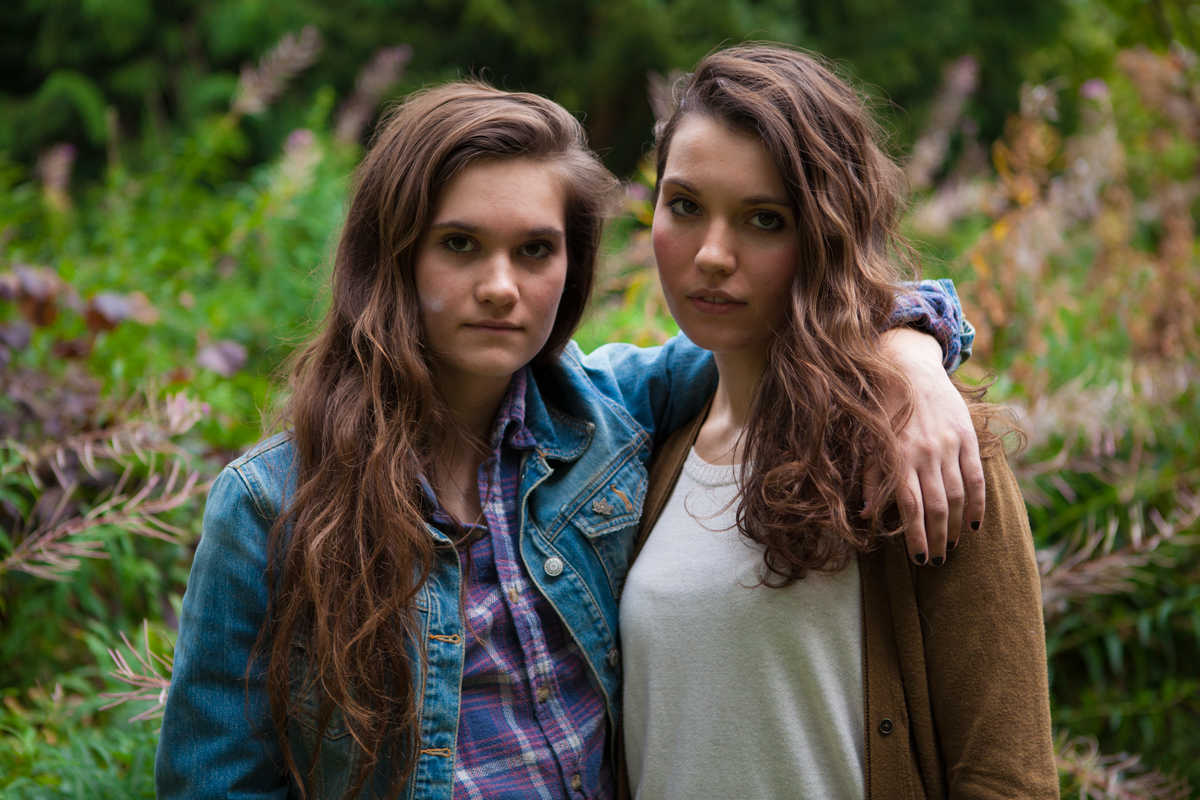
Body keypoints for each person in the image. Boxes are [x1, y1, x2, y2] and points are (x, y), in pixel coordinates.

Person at [156, 80, 976, 800]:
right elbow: (218, 781)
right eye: (459, 245)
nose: (501, 287)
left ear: (574, 267)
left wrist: (912, 360)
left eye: (535, 250)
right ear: (393, 257)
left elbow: (823, 313)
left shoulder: (610, 413)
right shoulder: (272, 505)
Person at [618, 45, 1056, 800]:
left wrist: (911, 360)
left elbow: (1006, 776)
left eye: (763, 220)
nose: (712, 256)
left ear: (826, 231)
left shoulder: (926, 449)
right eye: (685, 205)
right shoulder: (648, 437)